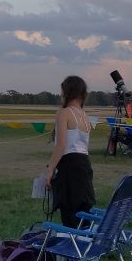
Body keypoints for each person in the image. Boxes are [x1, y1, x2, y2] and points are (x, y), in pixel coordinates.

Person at [45, 75, 95, 228]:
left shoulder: (64, 113)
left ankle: (71, 246)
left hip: (69, 166)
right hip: (84, 165)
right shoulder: (85, 116)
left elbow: (61, 145)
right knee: (83, 209)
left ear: (67, 92)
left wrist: (50, 170)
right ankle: (83, 244)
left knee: (69, 210)